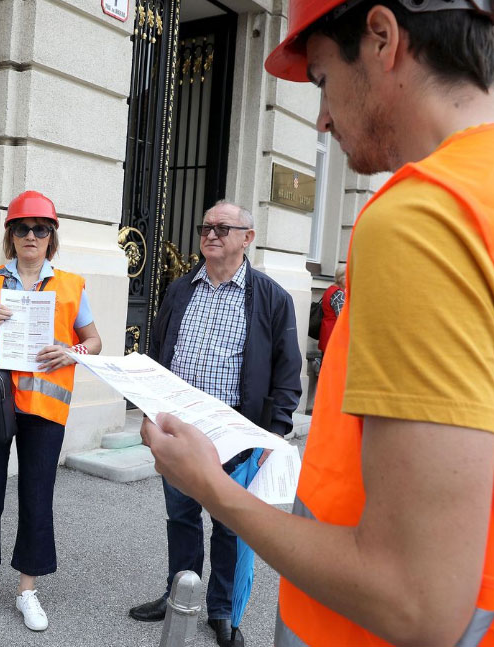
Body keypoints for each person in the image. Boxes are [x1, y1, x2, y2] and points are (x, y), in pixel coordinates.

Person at [143, 0, 494, 644]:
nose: (324, 116)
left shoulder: (424, 217)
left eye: (323, 79)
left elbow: (415, 602)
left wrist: (210, 484)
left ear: (383, 37)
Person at [129, 200, 302, 647]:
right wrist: (150, 414)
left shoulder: (271, 298)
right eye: (206, 226)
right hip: (180, 434)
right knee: (182, 519)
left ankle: (222, 613)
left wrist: (274, 435)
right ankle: (178, 596)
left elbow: (287, 375)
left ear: (247, 238)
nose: (211, 234)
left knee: (230, 525)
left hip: (236, 438)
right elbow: (159, 353)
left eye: (223, 228)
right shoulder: (180, 290)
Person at [0, 190, 102, 632]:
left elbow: (94, 341)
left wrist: (71, 352)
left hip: (43, 405)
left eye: (40, 229)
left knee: (37, 495)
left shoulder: (71, 285)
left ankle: (28, 591)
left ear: (51, 236)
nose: (31, 235)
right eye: (22, 228)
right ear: (11, 235)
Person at [317, 264, 345, 353]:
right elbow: (343, 318)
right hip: (334, 337)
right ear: (342, 278)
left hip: (327, 333)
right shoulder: (339, 294)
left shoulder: (330, 289)